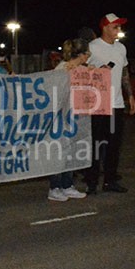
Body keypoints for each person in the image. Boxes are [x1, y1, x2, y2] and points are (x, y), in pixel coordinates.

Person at [85, 13, 135, 194]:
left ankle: (110, 180)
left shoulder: (121, 48)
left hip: (116, 103)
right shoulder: (92, 47)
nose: (118, 30)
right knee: (97, 143)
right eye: (115, 27)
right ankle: (91, 181)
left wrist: (129, 95)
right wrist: (94, 71)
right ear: (105, 27)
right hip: (98, 104)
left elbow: (124, 72)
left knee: (114, 144)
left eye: (119, 27)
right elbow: (79, 70)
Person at [47, 37, 89, 202]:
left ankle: (67, 184)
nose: (88, 57)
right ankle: (55, 187)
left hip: (73, 116)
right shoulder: (63, 69)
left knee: (71, 152)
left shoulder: (81, 68)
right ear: (81, 54)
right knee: (60, 153)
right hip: (60, 116)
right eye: (87, 54)